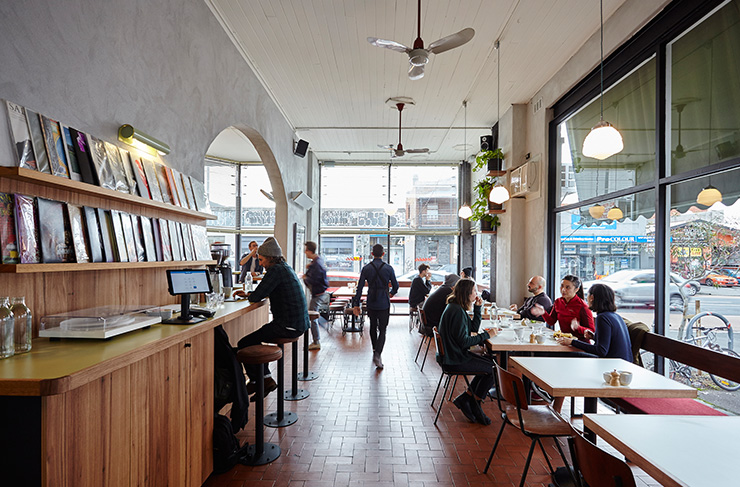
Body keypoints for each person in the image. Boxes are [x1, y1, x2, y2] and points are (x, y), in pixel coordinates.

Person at [236, 237, 309, 399]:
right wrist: (250, 294)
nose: (260, 263)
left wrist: (249, 294)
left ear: (270, 257)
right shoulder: (284, 268)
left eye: (261, 259)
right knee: (255, 338)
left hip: (288, 325)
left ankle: (259, 380)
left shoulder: (275, 271)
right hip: (298, 323)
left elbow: (257, 296)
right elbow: (262, 293)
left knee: (244, 343)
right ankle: (264, 379)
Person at [437, 278, 498, 425]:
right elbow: (464, 341)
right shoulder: (456, 311)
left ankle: (467, 399)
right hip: (454, 359)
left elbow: (472, 329)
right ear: (467, 293)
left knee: (491, 364)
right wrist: (487, 335)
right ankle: (475, 405)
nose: (477, 294)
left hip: (453, 355)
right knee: (493, 369)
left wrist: (477, 308)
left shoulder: (456, 307)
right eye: (474, 291)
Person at [556, 283, 632, 361]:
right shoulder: (615, 316)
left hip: (612, 365)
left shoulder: (602, 318)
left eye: (587, 296)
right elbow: (610, 344)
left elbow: (601, 351)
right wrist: (594, 337)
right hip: (623, 362)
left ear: (592, 297)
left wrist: (572, 342)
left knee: (565, 354)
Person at [352, 244, 399, 369]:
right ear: (383, 254)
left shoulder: (366, 268)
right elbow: (396, 286)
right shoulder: (389, 268)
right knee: (383, 329)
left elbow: (360, 287)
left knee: (373, 326)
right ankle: (378, 354)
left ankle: (374, 351)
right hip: (384, 301)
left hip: (371, 301)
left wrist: (356, 303)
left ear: (372, 254)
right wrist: (390, 294)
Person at [531, 274, 594, 340]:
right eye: (562, 286)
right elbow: (551, 322)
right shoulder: (558, 302)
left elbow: (591, 331)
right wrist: (543, 313)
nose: (563, 290)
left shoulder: (582, 306)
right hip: (564, 341)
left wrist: (578, 327)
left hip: (579, 344)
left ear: (576, 289)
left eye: (567, 287)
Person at [303, 240, 329, 350]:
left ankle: (316, 340)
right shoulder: (318, 261)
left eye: (306, 250)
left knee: (312, 316)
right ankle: (323, 325)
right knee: (313, 314)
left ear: (309, 250)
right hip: (320, 292)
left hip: (318, 293)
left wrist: (305, 277)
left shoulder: (316, 264)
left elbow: (314, 280)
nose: (305, 253)